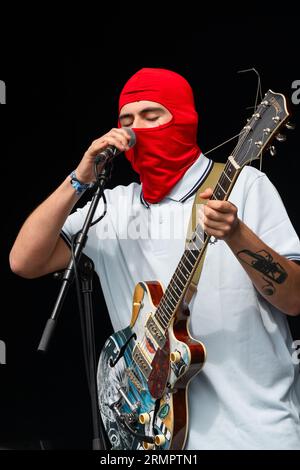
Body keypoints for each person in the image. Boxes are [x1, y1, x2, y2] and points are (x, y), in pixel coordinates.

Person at [9, 68, 300, 450]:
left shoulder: (245, 186)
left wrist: (236, 234)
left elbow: (294, 299)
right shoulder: (111, 207)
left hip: (255, 432)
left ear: (182, 119)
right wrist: (80, 178)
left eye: (152, 116)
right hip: (153, 437)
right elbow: (24, 261)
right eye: (127, 120)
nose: (137, 129)